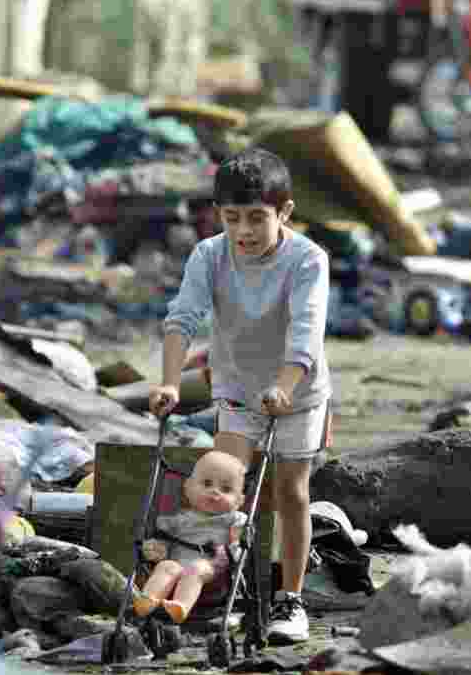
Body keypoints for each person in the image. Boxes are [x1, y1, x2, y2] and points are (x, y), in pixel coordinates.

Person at [148, 148, 331, 644]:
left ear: (284, 213)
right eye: (233, 219)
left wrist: (286, 387)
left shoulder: (308, 260)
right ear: (219, 215)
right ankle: (229, 595)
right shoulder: (209, 255)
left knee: (290, 493)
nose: (244, 231)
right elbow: (183, 319)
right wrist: (168, 380)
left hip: (297, 391)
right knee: (226, 494)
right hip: (234, 388)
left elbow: (306, 333)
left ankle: (289, 599)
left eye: (257, 219)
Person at [132, 450, 247, 623]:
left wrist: (236, 541)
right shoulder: (178, 521)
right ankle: (147, 601)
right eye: (207, 484)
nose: (215, 491)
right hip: (177, 563)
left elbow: (237, 544)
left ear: (239, 501)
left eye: (226, 489)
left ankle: (180, 607)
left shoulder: (232, 519)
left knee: (196, 568)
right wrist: (156, 548)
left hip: (211, 570)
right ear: (188, 488)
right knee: (166, 566)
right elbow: (162, 541)